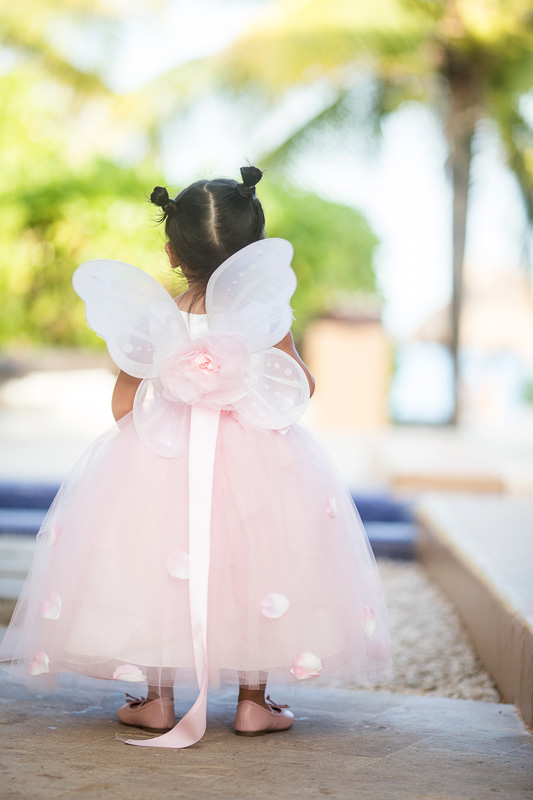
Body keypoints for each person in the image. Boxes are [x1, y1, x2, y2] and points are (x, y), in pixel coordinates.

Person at [0, 166, 392, 749]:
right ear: (253, 251)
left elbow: (122, 406)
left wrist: (180, 391)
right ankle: (255, 703)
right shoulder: (264, 314)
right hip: (261, 460)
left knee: (153, 562)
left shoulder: (154, 316)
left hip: (160, 459)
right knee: (262, 562)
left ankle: (155, 700)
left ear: (170, 251)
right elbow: (299, 388)